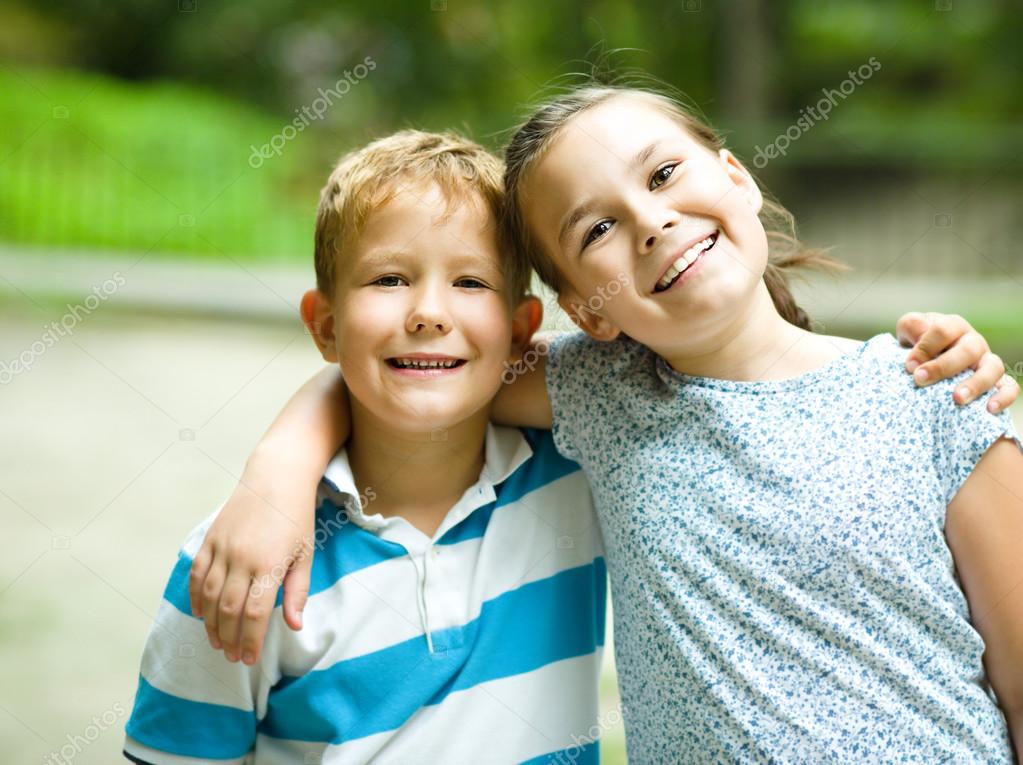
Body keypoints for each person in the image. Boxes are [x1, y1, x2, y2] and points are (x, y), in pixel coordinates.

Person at [190, 88, 1021, 761]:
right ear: (583, 312)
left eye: (662, 175)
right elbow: (413, 372)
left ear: (735, 175)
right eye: (597, 228)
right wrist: (279, 469)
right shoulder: (603, 394)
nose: (650, 222)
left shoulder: (934, 391)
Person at [123, 130, 606, 764]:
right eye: (388, 279)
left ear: (520, 332)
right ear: (326, 325)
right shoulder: (240, 564)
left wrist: (285, 450)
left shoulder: (584, 470)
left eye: (470, 282)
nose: (429, 313)